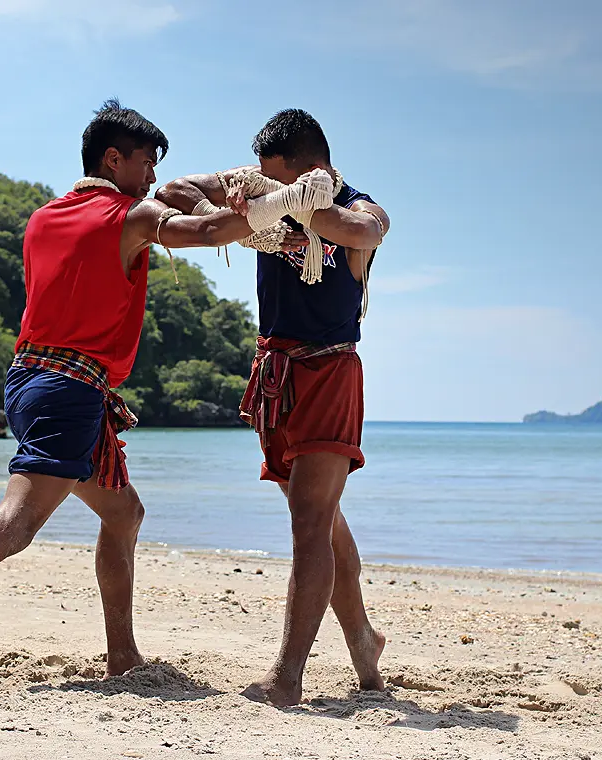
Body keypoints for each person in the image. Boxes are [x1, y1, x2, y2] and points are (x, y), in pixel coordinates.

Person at [0, 99, 316, 677]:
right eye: (147, 164)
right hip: (69, 389)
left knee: (124, 513)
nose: (153, 177)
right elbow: (206, 230)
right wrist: (287, 203)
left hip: (31, 380)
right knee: (17, 522)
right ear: (114, 159)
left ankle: (122, 654)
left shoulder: (43, 218)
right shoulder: (128, 217)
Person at [154, 108, 391, 706]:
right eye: (260, 177)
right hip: (275, 373)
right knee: (318, 514)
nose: (263, 185)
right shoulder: (260, 193)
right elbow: (175, 191)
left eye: (275, 177)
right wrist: (246, 207)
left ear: (311, 167)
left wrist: (283, 208)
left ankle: (287, 676)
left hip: (330, 369)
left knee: (310, 521)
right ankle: (362, 636)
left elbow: (362, 234)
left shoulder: (361, 207)